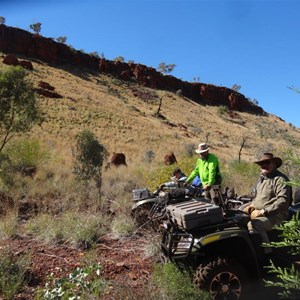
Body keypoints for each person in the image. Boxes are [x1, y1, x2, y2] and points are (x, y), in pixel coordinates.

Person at [243, 153, 292, 253]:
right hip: (260, 211)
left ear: (274, 164)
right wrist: (252, 205)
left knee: (256, 224)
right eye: (261, 163)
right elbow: (257, 197)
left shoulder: (280, 179)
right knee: (239, 217)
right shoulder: (262, 178)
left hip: (277, 214)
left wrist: (263, 211)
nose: (264, 165)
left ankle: (266, 252)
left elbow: (283, 201)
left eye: (267, 162)